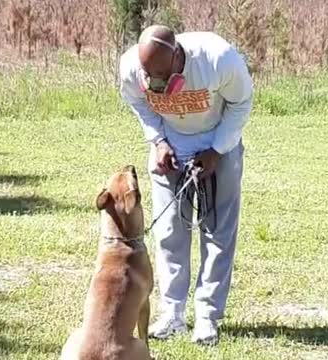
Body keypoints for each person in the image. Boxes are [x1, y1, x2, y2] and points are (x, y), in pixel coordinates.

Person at [118, 24, 254, 346]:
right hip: (170, 146)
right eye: (149, 75)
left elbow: (241, 102)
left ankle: (207, 317)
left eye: (163, 75)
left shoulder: (217, 58)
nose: (157, 85)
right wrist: (158, 140)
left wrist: (217, 150)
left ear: (178, 57)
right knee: (167, 230)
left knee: (217, 231)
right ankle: (173, 314)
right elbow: (139, 104)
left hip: (218, 141)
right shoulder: (130, 69)